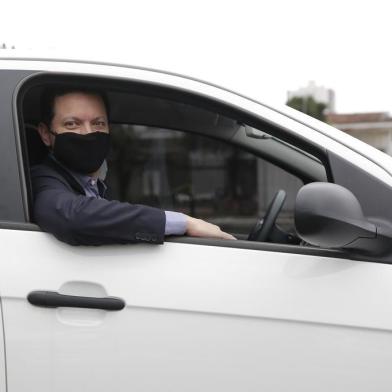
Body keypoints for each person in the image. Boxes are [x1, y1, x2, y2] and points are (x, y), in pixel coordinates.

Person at [31, 86, 236, 246]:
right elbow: (73, 216)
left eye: (98, 123)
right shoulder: (41, 178)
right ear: (46, 134)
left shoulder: (94, 185)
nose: (88, 133)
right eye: (72, 124)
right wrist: (185, 223)